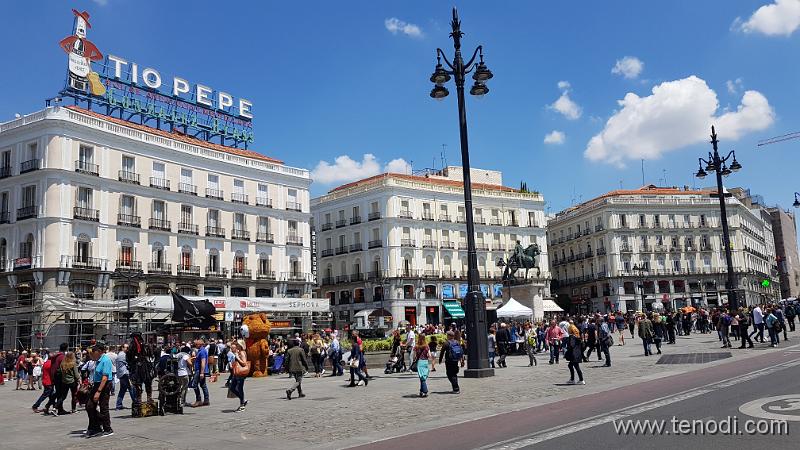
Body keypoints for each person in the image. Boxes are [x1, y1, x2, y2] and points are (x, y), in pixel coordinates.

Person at [85, 343, 113, 438]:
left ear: (100, 351)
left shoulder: (106, 360)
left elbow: (105, 377)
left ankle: (107, 428)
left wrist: (98, 391)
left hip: (104, 385)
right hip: (97, 383)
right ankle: (95, 425)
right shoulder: (98, 359)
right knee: (89, 406)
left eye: (94, 351)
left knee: (103, 406)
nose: (92, 352)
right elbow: (91, 358)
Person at [228, 341, 248, 411]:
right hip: (236, 373)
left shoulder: (242, 352)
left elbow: (244, 363)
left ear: (240, 345)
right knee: (232, 388)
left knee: (239, 389)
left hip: (240, 373)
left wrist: (238, 358)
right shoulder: (239, 352)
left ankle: (242, 404)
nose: (236, 345)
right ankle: (243, 400)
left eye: (237, 344)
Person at [115, 344, 135, 410]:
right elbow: (130, 362)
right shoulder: (123, 355)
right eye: (127, 347)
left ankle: (119, 404)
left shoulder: (120, 354)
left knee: (122, 390)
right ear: (122, 348)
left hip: (121, 374)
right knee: (131, 388)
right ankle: (135, 403)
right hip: (125, 374)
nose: (128, 349)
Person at [191, 338, 210, 407]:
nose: (195, 345)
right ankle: (206, 400)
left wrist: (202, 372)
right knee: (203, 385)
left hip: (199, 370)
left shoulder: (202, 351)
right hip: (200, 370)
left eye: (196, 344)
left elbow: (203, 362)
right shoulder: (201, 351)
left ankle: (198, 400)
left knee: (194, 385)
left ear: (200, 344)